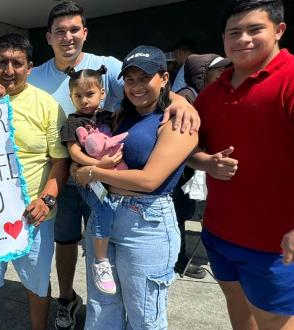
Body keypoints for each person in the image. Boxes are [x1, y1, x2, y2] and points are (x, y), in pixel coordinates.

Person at [27, 2, 201, 328]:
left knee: (138, 304)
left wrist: (183, 103)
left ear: (85, 32)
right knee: (69, 245)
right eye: (60, 31)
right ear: (48, 37)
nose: (68, 37)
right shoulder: (35, 77)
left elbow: (148, 92)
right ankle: (66, 299)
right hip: (63, 175)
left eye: (74, 29)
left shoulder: (106, 66)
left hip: (112, 183)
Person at [73, 45, 198, 329]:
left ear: (164, 78)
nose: (137, 86)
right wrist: (81, 167)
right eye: (130, 79)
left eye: (145, 77)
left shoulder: (178, 120)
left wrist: (91, 172)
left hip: (147, 224)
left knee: (144, 316)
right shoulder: (118, 116)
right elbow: (87, 154)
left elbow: (149, 180)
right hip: (104, 215)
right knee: (101, 307)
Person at [188, 0, 294, 328]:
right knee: (239, 310)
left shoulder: (290, 80)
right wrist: (204, 161)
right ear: (223, 39)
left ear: (279, 30)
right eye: (235, 32)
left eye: (254, 29)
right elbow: (189, 150)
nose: (243, 39)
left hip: (274, 244)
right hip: (220, 235)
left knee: (276, 321)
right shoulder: (211, 92)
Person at [0, 33, 70, 330]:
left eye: (17, 63)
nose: (9, 70)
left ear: (29, 67)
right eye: (2, 63)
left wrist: (46, 200)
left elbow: (60, 161)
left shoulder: (47, 105)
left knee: (37, 285)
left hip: (33, 216)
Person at [59, 65, 120, 295]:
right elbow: (74, 153)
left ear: (102, 93)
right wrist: (97, 166)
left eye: (90, 94)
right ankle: (100, 261)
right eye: (78, 96)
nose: (84, 100)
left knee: (110, 212)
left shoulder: (109, 116)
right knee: (102, 209)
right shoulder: (73, 122)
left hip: (111, 178)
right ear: (71, 97)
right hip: (87, 180)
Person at [173, 53, 231, 279]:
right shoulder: (187, 97)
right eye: (219, 71)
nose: (225, 74)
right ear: (203, 74)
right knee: (178, 214)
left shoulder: (211, 95)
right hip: (179, 170)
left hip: (193, 167)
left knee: (184, 213)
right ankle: (178, 260)